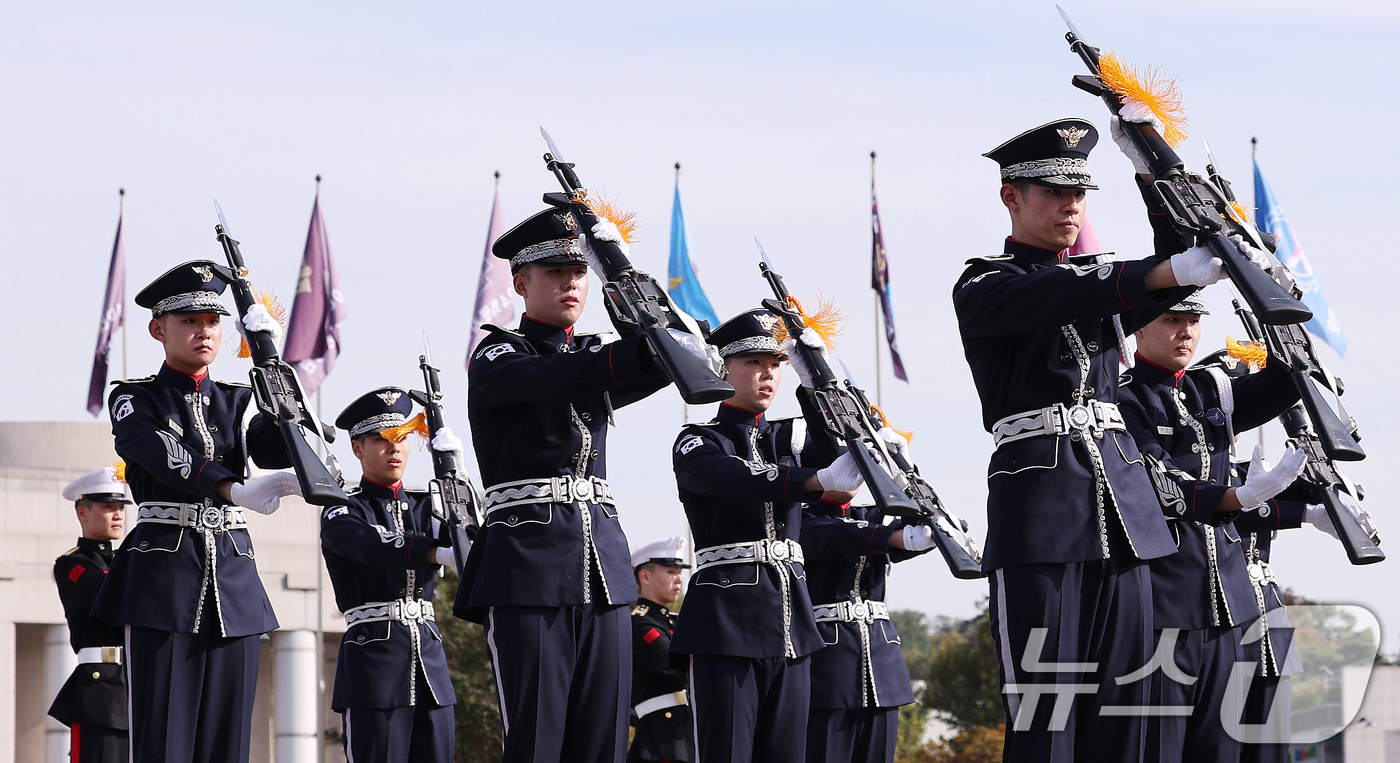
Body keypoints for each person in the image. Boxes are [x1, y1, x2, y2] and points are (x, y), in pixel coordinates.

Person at [952, 115, 1230, 761]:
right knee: (1047, 705)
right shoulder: (985, 283)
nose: (1069, 205)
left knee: (1128, 709)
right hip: (1043, 515)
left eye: (1078, 194)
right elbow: (1074, 289)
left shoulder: (1099, 282)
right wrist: (1158, 273)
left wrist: (1149, 168)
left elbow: (1173, 264)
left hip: (1125, 512)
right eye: (1053, 192)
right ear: (1011, 196)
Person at [453, 208, 672, 763]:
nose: (571, 282)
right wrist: (635, 345)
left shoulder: (592, 355)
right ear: (522, 283)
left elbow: (672, 362)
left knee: (601, 742)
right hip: (527, 568)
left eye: (580, 272)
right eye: (554, 272)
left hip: (602, 570)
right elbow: (564, 376)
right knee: (536, 741)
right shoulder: (499, 355)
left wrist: (633, 285)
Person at [91, 260, 303, 763]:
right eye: (188, 320)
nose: (203, 332)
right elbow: (165, 454)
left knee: (228, 744)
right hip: (164, 584)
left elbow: (279, 443)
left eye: (212, 321)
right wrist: (230, 488)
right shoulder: (134, 398)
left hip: (233, 582)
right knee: (165, 741)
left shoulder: (238, 400)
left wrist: (279, 379)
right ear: (157, 329)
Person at [1117, 296, 1318, 762]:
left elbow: (1287, 384)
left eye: (1193, 321)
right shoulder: (1124, 399)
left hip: (1231, 609)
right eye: (1171, 320)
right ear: (1139, 330)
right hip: (1165, 609)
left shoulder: (1210, 391)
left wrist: (1273, 301)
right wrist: (1241, 498)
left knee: (1224, 750)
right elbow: (1160, 480)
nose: (1185, 331)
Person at [669, 308, 863, 763]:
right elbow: (738, 479)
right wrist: (811, 482)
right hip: (726, 623)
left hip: (792, 622)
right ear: (724, 368)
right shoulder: (698, 439)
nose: (766, 374)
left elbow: (837, 448)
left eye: (775, 364)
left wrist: (817, 381)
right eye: (753, 363)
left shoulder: (787, 436)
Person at [323, 387, 462, 762]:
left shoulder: (428, 506)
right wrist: (433, 550)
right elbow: (371, 546)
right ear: (357, 448)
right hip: (374, 670)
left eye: (401, 437)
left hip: (430, 667)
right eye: (381, 439)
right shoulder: (343, 511)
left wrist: (458, 482)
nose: (394, 448)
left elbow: (475, 545)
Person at [800, 491, 936, 763]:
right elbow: (838, 535)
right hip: (828, 670)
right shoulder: (799, 517)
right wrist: (893, 538)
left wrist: (901, 476)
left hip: (881, 668)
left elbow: (924, 520)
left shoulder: (871, 515)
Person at [49, 467, 131, 763]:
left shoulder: (128, 561)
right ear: (83, 513)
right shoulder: (73, 565)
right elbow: (109, 595)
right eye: (108, 507)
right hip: (101, 690)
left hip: (137, 683)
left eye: (121, 507)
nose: (118, 515)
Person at [627, 537, 694, 763]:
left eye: (679, 572)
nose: (678, 580)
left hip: (684, 727)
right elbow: (676, 666)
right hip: (663, 734)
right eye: (670, 572)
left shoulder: (672, 621)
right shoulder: (640, 623)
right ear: (644, 576)